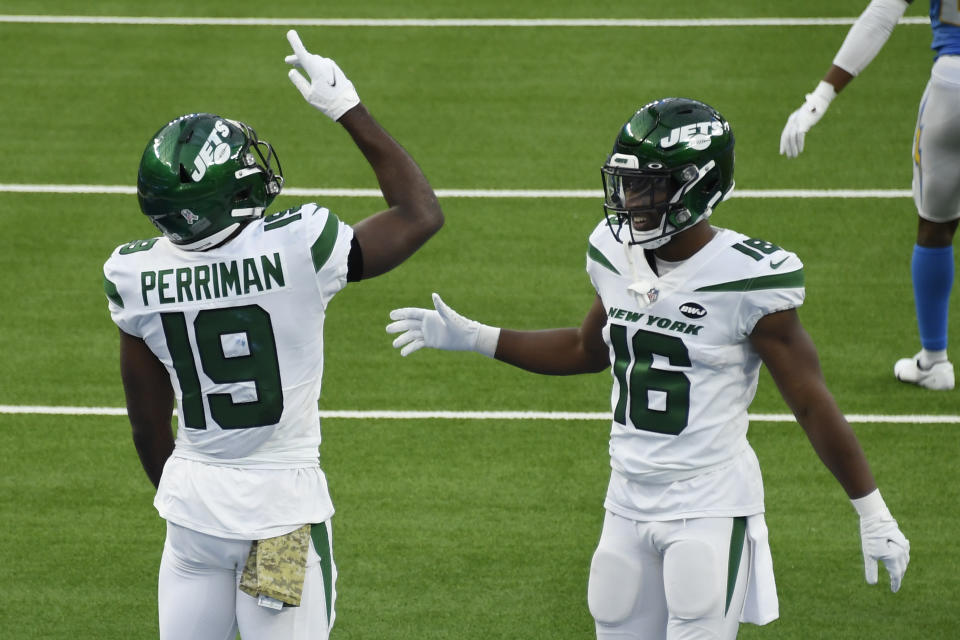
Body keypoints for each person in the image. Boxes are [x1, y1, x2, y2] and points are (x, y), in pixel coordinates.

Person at [386, 98, 909, 639]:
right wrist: (476, 337)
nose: (630, 202)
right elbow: (588, 350)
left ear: (697, 187)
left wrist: (871, 510)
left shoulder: (747, 279)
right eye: (626, 185)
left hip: (708, 501)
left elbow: (810, 401)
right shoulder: (613, 252)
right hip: (626, 498)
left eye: (648, 187)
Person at [102, 30, 443, 640]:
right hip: (281, 520)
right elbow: (419, 214)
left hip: (194, 520)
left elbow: (147, 426)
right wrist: (348, 108)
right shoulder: (298, 246)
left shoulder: (133, 273)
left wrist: (197, 495)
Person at [780, 0, 959, 390]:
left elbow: (882, 14)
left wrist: (821, 96)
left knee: (936, 225)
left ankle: (934, 360)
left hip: (953, 85)